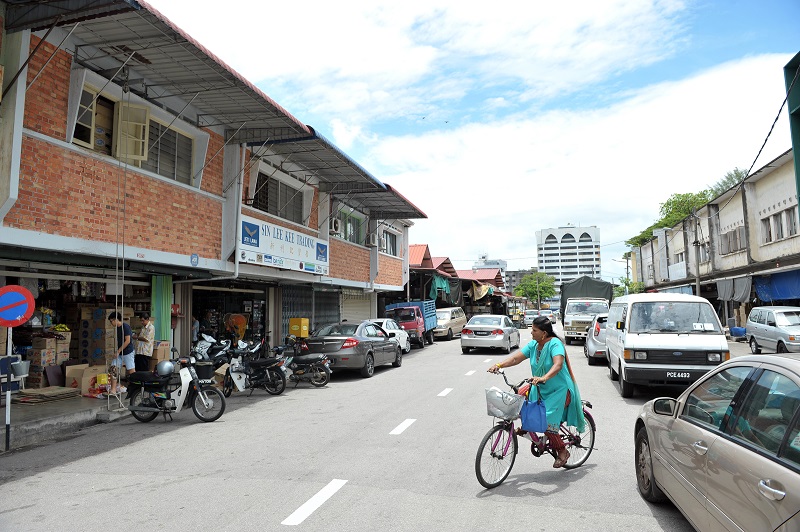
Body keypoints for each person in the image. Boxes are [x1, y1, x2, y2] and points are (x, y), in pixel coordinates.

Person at [488, 316, 585, 468]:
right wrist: (499, 365)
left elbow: (558, 364)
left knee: (545, 421)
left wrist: (544, 377)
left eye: (534, 330)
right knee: (518, 396)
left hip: (560, 390)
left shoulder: (555, 344)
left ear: (544, 333)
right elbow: (515, 359)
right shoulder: (534, 345)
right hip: (540, 387)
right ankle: (528, 426)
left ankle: (562, 450)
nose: (531, 333)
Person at [108, 311, 135, 395]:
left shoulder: (125, 327)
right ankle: (113, 389)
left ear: (116, 319)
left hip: (127, 352)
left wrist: (118, 351)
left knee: (131, 371)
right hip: (120, 352)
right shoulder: (118, 328)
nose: (111, 323)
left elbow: (128, 341)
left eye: (111, 321)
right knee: (113, 368)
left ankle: (135, 388)